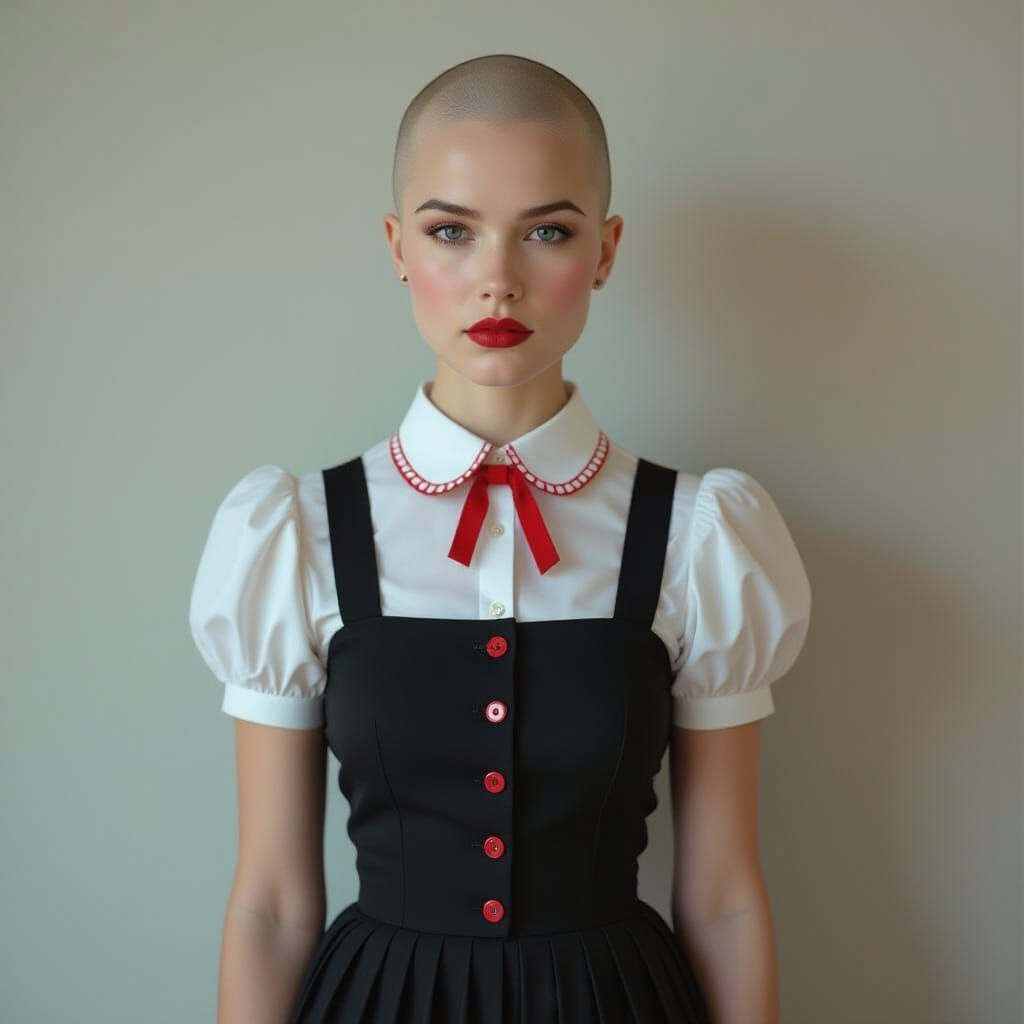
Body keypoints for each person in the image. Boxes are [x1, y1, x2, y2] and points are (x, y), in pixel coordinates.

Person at [188, 53, 812, 1024]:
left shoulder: (699, 537)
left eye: (547, 232)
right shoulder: (298, 533)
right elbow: (270, 902)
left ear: (603, 251)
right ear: (398, 245)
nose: (497, 282)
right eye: (451, 231)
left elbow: (724, 894)